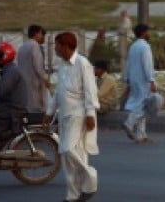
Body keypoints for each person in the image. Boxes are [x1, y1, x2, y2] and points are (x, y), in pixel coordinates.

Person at [45, 31, 98, 202]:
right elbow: (58, 93)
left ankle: (90, 179)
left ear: (66, 46)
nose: (55, 49)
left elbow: (91, 91)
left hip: (79, 115)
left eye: (57, 45)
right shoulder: (62, 66)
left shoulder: (83, 64)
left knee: (67, 149)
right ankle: (73, 195)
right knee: (70, 158)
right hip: (64, 117)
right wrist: (49, 112)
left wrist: (90, 114)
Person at [122, 23, 157, 144]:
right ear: (143, 33)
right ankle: (129, 123)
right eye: (148, 31)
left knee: (139, 103)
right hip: (143, 80)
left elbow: (128, 64)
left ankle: (141, 135)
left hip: (134, 79)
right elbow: (147, 65)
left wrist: (127, 80)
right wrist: (151, 80)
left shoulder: (133, 46)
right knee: (145, 105)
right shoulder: (145, 47)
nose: (149, 34)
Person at [0, 41, 26, 138]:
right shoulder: (9, 70)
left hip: (10, 111)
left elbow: (0, 91)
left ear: (3, 56)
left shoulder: (12, 71)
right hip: (7, 108)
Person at [17, 23, 51, 118]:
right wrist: (45, 80)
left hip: (24, 82)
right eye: (42, 34)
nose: (43, 36)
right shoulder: (35, 46)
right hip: (35, 83)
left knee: (28, 106)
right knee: (39, 108)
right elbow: (38, 67)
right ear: (36, 34)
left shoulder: (22, 47)